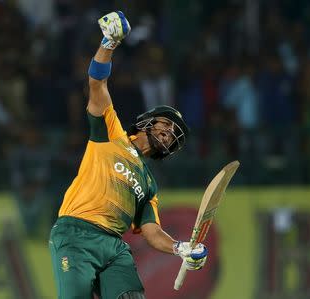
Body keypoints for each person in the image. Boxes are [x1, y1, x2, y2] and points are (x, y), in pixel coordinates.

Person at [48, 11, 208, 299]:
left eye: (175, 135)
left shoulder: (149, 184)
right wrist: (108, 43)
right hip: (76, 233)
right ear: (149, 120)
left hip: (114, 247)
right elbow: (97, 84)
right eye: (167, 125)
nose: (169, 133)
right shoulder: (111, 132)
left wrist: (179, 248)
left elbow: (150, 231)